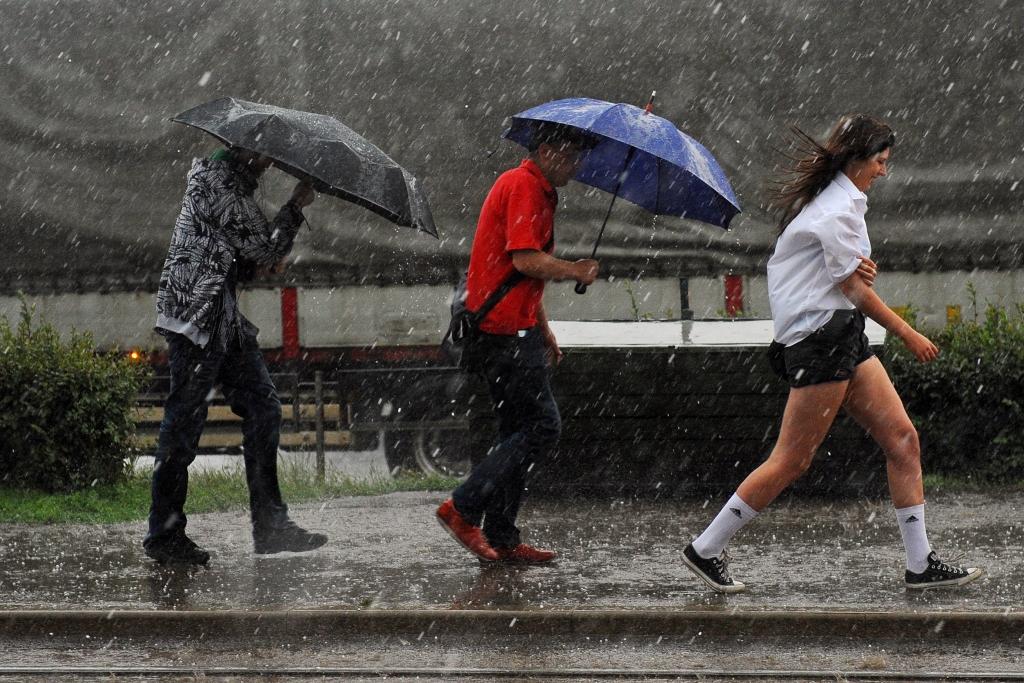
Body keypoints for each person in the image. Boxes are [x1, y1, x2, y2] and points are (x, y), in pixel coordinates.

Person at [682, 114, 983, 592]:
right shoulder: (835, 210)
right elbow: (855, 290)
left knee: (903, 440)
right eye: (880, 161)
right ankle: (705, 548)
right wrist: (908, 333)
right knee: (792, 460)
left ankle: (920, 563)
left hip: (841, 335)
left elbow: (837, 277)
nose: (884, 170)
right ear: (857, 159)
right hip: (821, 340)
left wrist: (857, 273)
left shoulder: (838, 204)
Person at [144, 146, 327, 565]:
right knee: (182, 427)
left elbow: (239, 256)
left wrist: (257, 259)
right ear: (242, 151)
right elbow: (266, 251)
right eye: (263, 155)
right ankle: (163, 535)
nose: (269, 162)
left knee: (263, 408)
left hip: (221, 316)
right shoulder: (222, 187)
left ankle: (271, 527)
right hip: (197, 317)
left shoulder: (228, 186)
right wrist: (295, 206)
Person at [435, 123, 599, 564]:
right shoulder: (523, 185)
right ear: (545, 151)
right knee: (543, 426)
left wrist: (543, 327)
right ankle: (462, 507)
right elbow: (525, 260)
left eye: (579, 156)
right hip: (505, 334)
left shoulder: (538, 190)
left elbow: (516, 276)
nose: (576, 165)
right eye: (569, 155)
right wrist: (575, 270)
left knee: (515, 432)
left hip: (511, 329)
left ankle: (503, 536)